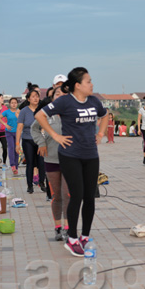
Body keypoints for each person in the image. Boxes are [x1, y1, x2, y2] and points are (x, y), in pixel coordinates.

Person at [35, 67, 108, 257]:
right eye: (88, 81)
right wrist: (55, 136)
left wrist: (100, 133)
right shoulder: (65, 101)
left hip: (91, 155)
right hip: (70, 156)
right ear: (77, 85)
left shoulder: (94, 101)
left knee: (89, 197)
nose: (92, 84)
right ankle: (72, 238)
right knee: (76, 196)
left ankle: (85, 236)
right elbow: (39, 115)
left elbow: (105, 114)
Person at [31, 87, 70, 241]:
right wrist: (41, 143)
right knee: (57, 196)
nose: (61, 96)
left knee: (68, 195)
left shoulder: (72, 114)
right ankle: (58, 228)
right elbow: (34, 129)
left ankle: (68, 228)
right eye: (57, 94)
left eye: (64, 94)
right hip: (51, 160)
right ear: (52, 98)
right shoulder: (46, 115)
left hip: (70, 160)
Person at [16, 83, 46, 194]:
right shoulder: (24, 111)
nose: (35, 98)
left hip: (40, 141)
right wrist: (17, 144)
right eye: (33, 96)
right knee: (30, 163)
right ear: (28, 99)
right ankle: (29, 186)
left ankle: (42, 183)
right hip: (27, 140)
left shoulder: (42, 111)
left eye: (37, 96)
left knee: (41, 163)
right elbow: (19, 128)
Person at [0, 97, 20, 175]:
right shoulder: (7, 112)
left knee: (16, 149)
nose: (14, 104)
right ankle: (12, 165)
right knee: (11, 147)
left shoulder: (19, 111)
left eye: (15, 103)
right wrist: (5, 124)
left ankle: (16, 167)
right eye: (12, 103)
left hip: (18, 132)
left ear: (17, 104)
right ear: (9, 104)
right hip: (9, 132)